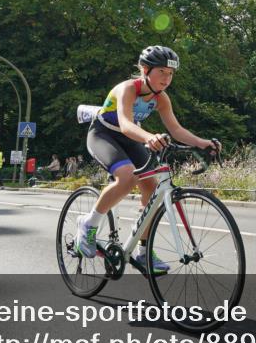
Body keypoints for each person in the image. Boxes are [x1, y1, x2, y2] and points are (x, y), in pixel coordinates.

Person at [76, 45, 220, 275]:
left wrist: (202, 143)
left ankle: (143, 251)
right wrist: (149, 137)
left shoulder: (162, 99)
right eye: (161, 71)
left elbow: (176, 129)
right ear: (145, 69)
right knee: (127, 177)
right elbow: (125, 124)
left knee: (152, 187)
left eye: (170, 74)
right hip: (104, 134)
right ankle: (89, 224)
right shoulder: (127, 89)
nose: (167, 78)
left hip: (132, 138)